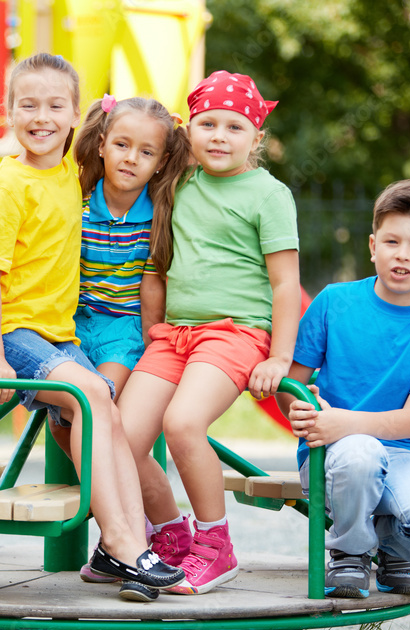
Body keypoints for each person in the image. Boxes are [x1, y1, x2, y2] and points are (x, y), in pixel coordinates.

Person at [0, 53, 185, 602]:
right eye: (28, 105)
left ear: (74, 119)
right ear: (8, 112)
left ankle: (131, 547)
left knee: (103, 409)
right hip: (17, 333)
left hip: (59, 335)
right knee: (92, 398)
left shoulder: (70, 174)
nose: (41, 117)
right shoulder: (6, 185)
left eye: (55, 106)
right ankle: (122, 542)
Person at [118, 71, 301, 595]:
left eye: (234, 127)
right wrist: (154, 329)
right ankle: (169, 538)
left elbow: (286, 285)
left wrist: (279, 358)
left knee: (182, 424)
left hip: (235, 335)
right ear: (188, 131)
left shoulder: (269, 194)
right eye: (207, 124)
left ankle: (215, 544)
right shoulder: (174, 186)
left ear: (256, 138)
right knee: (119, 439)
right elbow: (156, 264)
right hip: (175, 336)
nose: (219, 135)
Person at [276, 179, 410, 599]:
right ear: (372, 245)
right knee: (360, 453)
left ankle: (395, 550)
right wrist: (299, 407)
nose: (402, 254)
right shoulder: (333, 302)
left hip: (405, 449)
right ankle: (349, 554)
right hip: (333, 454)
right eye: (392, 241)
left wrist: (341, 421)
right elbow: (292, 383)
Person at [58, 94, 191, 584]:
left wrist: (155, 343)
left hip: (121, 336)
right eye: (121, 144)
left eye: (147, 151)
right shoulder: (76, 199)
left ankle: (158, 530)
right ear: (100, 144)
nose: (131, 158)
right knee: (67, 423)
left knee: (101, 412)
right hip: (72, 329)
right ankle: (122, 537)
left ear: (161, 163)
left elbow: (153, 284)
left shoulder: (158, 211)